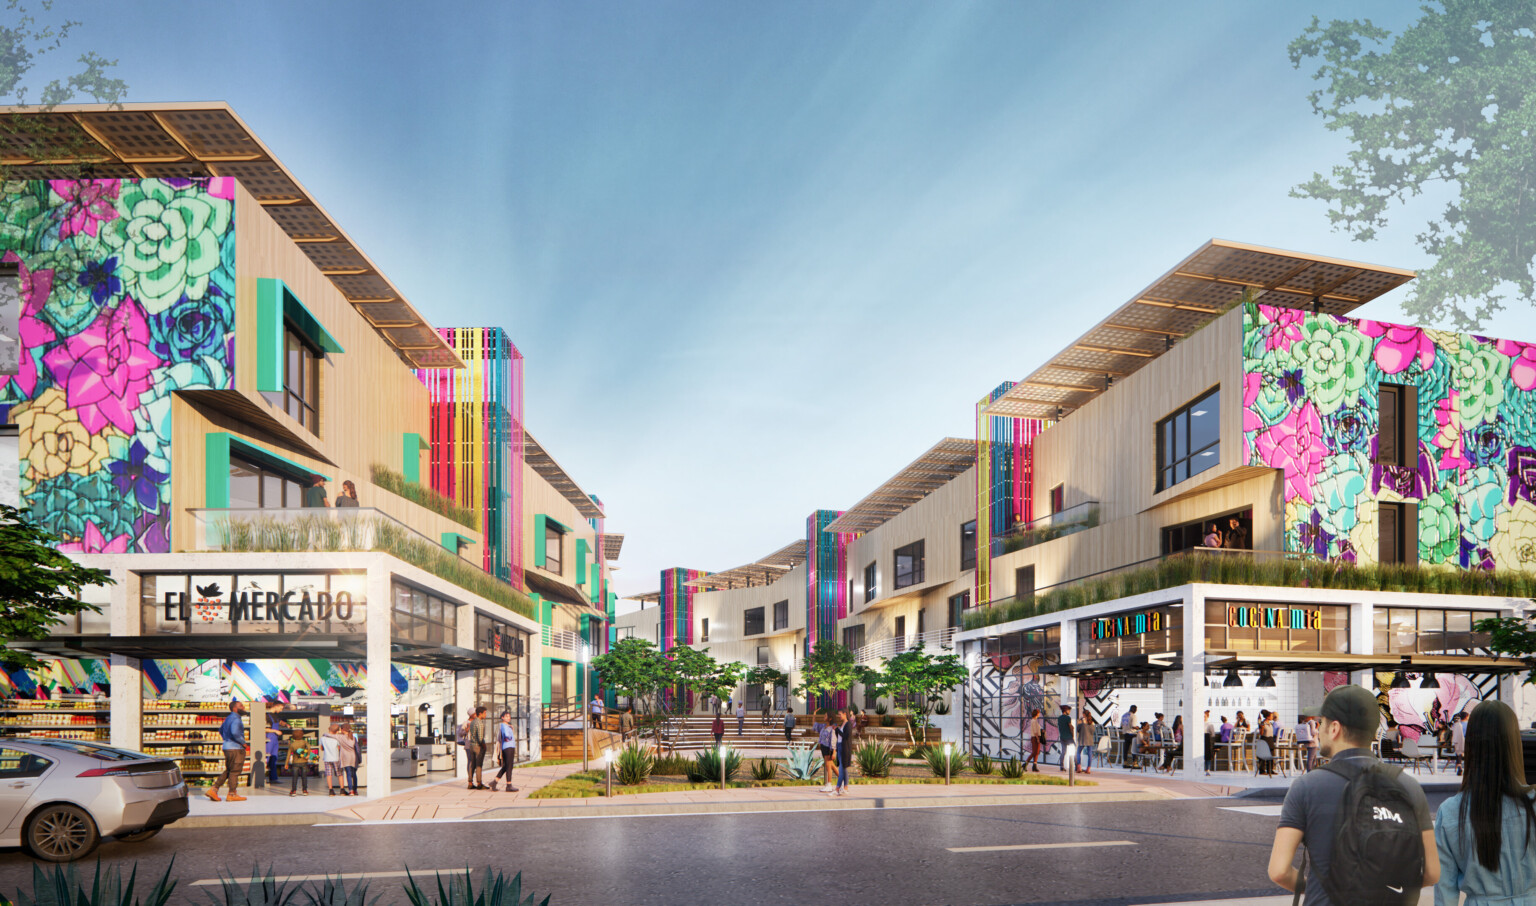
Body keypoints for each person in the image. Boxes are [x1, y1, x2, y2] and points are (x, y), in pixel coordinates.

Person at [1267, 684, 1438, 905]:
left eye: (1322, 723)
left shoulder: (1306, 787)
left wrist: (1321, 888)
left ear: (1334, 728)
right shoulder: (1409, 786)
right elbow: (1432, 872)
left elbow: (1279, 871)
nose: (1318, 730)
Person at [1433, 700, 1536, 906]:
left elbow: (1445, 890)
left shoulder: (1451, 811)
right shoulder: (1532, 803)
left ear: (1471, 745)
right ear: (1514, 743)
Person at [209, 700, 248, 802]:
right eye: (241, 706)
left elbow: (221, 730)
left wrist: (227, 739)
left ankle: (214, 789)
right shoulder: (236, 719)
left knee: (229, 770)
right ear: (235, 708)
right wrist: (243, 743)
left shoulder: (228, 718)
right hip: (236, 748)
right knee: (235, 771)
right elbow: (235, 732)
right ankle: (232, 794)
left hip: (227, 747)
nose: (243, 707)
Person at [490, 709, 519, 793]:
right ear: (502, 717)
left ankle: (494, 782)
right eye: (506, 716)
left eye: (509, 716)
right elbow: (506, 736)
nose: (508, 718)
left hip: (508, 747)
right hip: (508, 747)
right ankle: (508, 785)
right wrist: (510, 731)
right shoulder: (503, 725)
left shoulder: (506, 725)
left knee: (506, 766)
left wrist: (510, 728)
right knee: (509, 766)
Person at [467, 705, 490, 790]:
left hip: (471, 745)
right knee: (479, 765)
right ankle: (479, 783)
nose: (486, 714)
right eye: (485, 713)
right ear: (480, 713)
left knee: (472, 764)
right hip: (478, 747)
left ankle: (470, 782)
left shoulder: (472, 722)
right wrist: (484, 746)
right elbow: (480, 738)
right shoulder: (479, 723)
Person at [286, 728, 314, 796]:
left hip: (295, 763)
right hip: (304, 762)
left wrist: (286, 764)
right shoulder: (304, 742)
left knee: (294, 777)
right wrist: (308, 755)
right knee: (304, 777)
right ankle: (304, 790)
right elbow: (309, 747)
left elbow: (288, 755)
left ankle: (294, 791)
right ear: (302, 735)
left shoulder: (292, 744)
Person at [336, 722, 359, 796]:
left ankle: (351, 790)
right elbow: (357, 749)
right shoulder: (353, 737)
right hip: (354, 758)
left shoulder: (341, 737)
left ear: (342, 729)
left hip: (345, 758)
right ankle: (355, 790)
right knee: (354, 774)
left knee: (348, 774)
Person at [319, 724, 342, 795]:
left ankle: (331, 790)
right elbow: (339, 748)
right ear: (337, 731)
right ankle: (342, 790)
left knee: (329, 774)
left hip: (327, 758)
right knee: (339, 774)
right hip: (336, 758)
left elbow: (322, 748)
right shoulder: (337, 738)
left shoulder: (322, 738)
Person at [834, 711, 852, 796]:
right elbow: (839, 736)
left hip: (845, 748)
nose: (839, 716)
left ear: (845, 714)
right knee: (843, 769)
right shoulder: (842, 724)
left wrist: (837, 729)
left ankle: (837, 789)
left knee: (841, 769)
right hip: (840, 746)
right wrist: (836, 730)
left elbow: (846, 736)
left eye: (840, 714)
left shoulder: (848, 724)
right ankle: (845, 788)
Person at [818, 717, 837, 793]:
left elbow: (834, 739)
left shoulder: (832, 728)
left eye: (826, 715)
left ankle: (829, 785)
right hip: (823, 747)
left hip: (828, 748)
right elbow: (814, 725)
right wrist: (814, 715)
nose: (824, 717)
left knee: (828, 766)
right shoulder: (824, 726)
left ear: (829, 718)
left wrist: (834, 751)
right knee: (831, 765)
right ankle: (843, 780)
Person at [1076, 708, 1095, 774]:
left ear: (1084, 714)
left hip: (1082, 739)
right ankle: (1088, 769)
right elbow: (1093, 732)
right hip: (1090, 740)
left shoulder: (1081, 722)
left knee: (1078, 752)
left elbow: (1077, 730)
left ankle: (1079, 767)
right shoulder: (1092, 722)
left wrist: (1079, 724)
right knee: (1090, 754)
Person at [1057, 705, 1074, 772]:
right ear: (1066, 711)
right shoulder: (1068, 718)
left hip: (1062, 737)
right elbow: (1070, 727)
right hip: (1068, 737)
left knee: (1063, 752)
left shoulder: (1059, 718)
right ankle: (1076, 765)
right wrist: (1072, 734)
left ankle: (1061, 766)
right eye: (1069, 710)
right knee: (1074, 751)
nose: (1069, 712)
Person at [1452, 711, 1469, 776]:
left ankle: (1459, 766)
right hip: (1467, 742)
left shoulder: (1456, 724)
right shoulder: (1468, 724)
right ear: (1466, 717)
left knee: (1458, 754)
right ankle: (1467, 769)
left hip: (1459, 742)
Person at [1204, 710, 1217, 776]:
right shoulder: (1197, 724)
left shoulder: (1209, 724)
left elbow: (1213, 734)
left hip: (1207, 740)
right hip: (1200, 740)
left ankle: (1207, 769)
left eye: (1204, 716)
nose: (1203, 718)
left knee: (1207, 755)